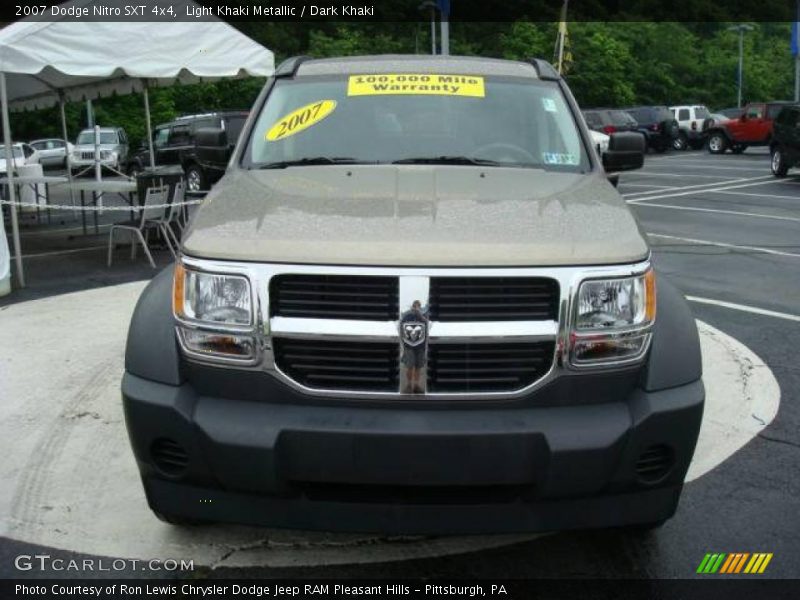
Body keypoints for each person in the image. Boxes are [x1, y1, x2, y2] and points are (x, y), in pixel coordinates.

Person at [400, 300, 428, 394]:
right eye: (415, 306)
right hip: (409, 346)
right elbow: (402, 328)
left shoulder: (423, 317)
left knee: (418, 367)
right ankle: (408, 385)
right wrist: (404, 343)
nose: (417, 308)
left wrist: (420, 316)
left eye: (418, 306)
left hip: (420, 346)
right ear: (412, 306)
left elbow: (428, 326)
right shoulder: (407, 316)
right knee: (410, 367)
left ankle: (416, 386)